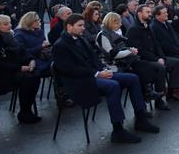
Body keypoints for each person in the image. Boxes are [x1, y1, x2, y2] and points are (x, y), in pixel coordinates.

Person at [52, 14, 159, 143]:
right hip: (79, 82)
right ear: (69, 27)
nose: (83, 28)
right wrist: (96, 74)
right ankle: (118, 130)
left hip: (94, 75)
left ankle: (141, 118)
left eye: (83, 25)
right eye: (80, 26)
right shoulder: (60, 45)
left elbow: (94, 59)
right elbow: (69, 69)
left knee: (133, 78)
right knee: (113, 86)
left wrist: (103, 69)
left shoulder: (81, 39)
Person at [0, 14, 41, 123]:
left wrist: (31, 60)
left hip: (10, 70)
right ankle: (24, 112)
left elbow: (22, 52)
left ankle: (26, 110)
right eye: (6, 24)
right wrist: (20, 68)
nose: (9, 26)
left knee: (36, 75)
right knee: (27, 79)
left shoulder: (11, 38)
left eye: (10, 23)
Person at [125, 5, 171, 111]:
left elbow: (156, 44)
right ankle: (157, 99)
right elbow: (139, 50)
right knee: (160, 67)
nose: (150, 14)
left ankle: (170, 92)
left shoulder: (147, 26)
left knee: (171, 63)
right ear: (140, 13)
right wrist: (156, 59)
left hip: (152, 58)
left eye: (150, 12)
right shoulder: (133, 29)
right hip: (140, 60)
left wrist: (161, 57)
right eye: (147, 12)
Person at [13, 11, 52, 78]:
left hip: (43, 57)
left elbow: (43, 46)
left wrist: (46, 45)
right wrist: (40, 46)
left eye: (38, 19)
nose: (38, 22)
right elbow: (23, 53)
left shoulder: (39, 31)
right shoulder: (19, 34)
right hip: (30, 61)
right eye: (35, 20)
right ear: (28, 21)